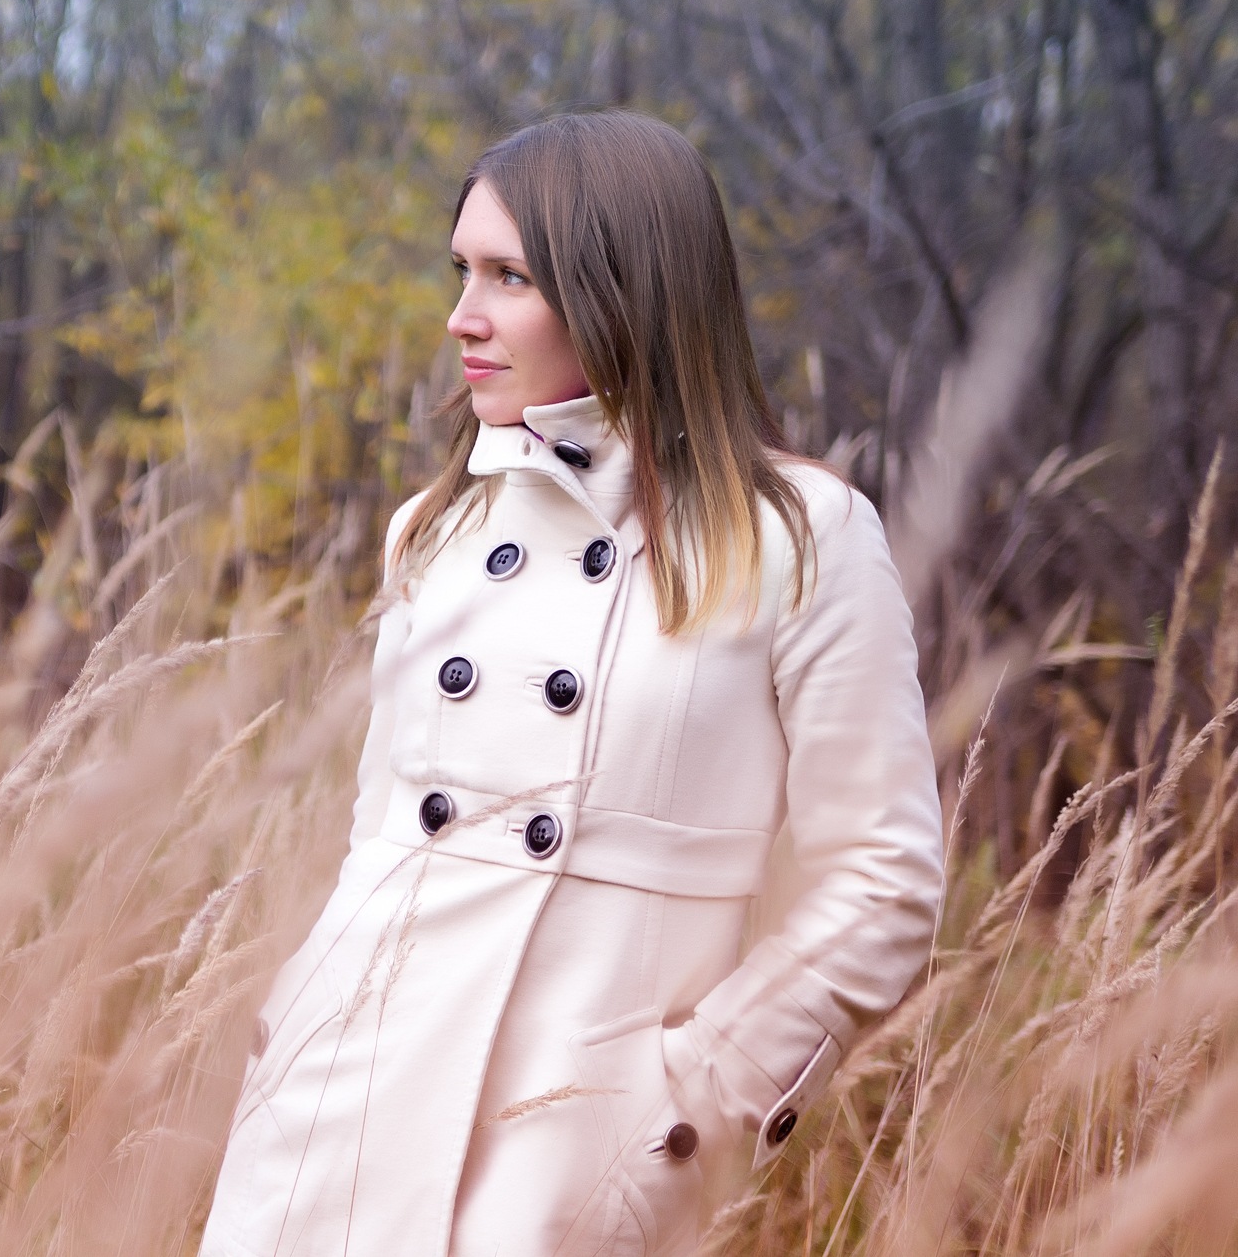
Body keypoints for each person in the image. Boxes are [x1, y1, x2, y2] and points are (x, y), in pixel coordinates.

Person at [198, 111, 946, 1256]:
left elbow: (882, 883)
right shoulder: (432, 529)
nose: (461, 316)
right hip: (330, 1108)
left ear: (622, 289)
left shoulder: (800, 536)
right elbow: (378, 833)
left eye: (508, 277)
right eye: (460, 271)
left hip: (568, 1147)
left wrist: (686, 1116)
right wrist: (290, 1013)